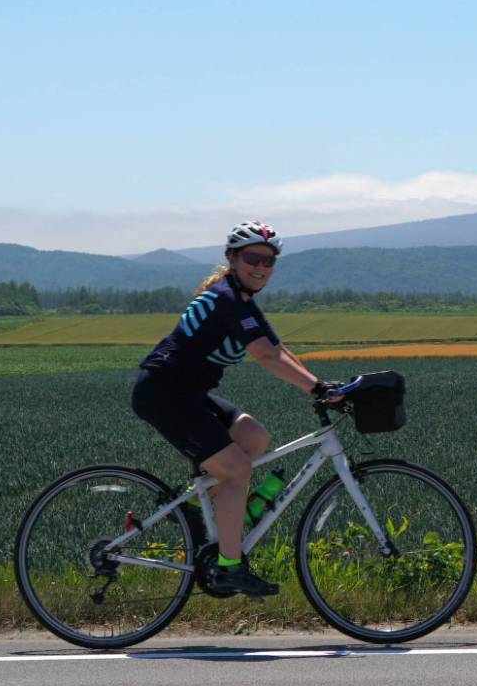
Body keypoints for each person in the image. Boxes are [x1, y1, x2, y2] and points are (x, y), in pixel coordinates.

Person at [130, 221, 336, 597]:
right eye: (252, 258)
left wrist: (321, 386)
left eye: (269, 261)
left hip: (189, 393)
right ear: (232, 259)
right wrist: (317, 389)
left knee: (255, 438)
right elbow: (265, 356)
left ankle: (194, 511)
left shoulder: (243, 302)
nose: (261, 267)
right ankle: (228, 566)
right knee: (237, 470)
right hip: (163, 392)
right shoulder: (225, 298)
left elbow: (278, 349)